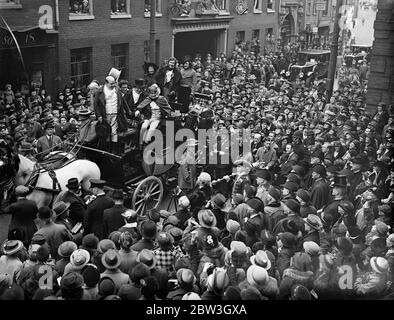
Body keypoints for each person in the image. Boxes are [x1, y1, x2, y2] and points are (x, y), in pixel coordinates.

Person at [93, 75, 128, 153]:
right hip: (105, 115)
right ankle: (107, 149)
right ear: (106, 83)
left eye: (114, 83)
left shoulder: (117, 90)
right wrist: (99, 116)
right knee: (106, 132)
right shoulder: (100, 91)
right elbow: (95, 105)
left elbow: (122, 102)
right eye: (111, 84)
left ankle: (114, 149)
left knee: (114, 132)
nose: (113, 85)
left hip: (115, 114)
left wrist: (127, 112)